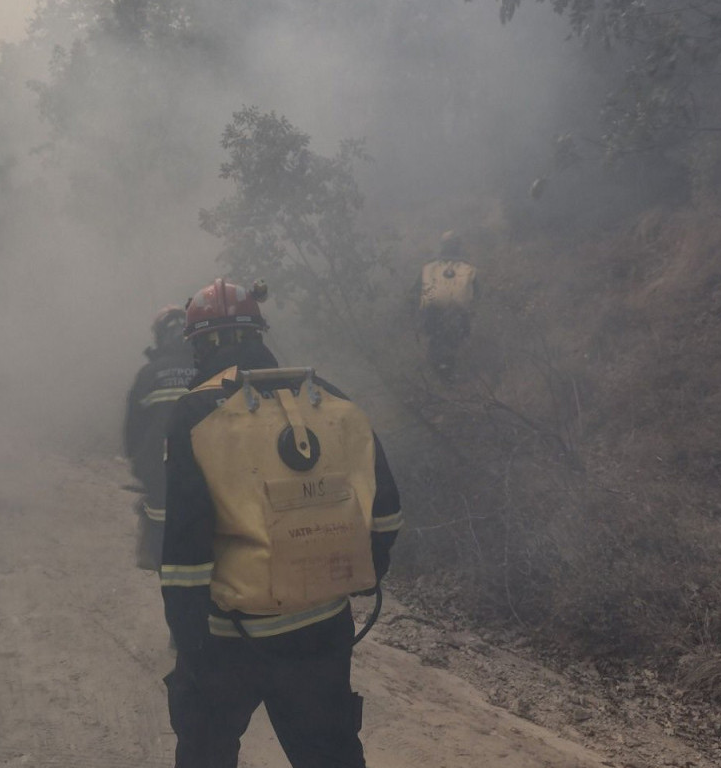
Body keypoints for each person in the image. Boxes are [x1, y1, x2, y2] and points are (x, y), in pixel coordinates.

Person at [161, 277, 403, 768]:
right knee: (330, 754)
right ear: (259, 335)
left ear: (200, 344)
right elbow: (387, 508)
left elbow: (185, 553)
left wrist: (191, 644)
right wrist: (359, 574)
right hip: (322, 628)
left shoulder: (195, 414)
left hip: (230, 637)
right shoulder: (329, 399)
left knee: (206, 752)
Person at [123, 305, 197, 571]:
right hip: (206, 464)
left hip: (158, 468)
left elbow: (133, 428)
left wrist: (137, 462)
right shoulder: (208, 368)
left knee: (158, 508)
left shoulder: (148, 375)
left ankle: (154, 553)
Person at [417, 231, 477, 383]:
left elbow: (416, 291)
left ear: (442, 246)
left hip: (433, 314)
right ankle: (451, 378)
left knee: (435, 342)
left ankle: (441, 378)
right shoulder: (468, 267)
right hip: (458, 314)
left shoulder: (429, 267)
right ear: (458, 247)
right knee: (454, 344)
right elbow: (476, 293)